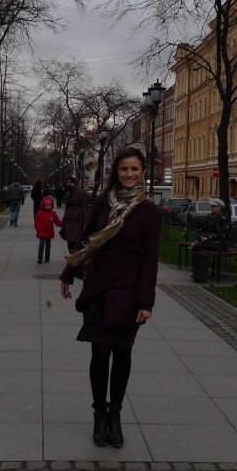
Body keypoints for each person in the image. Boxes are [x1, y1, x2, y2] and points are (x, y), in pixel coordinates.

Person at [59, 147, 161, 449]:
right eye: (124, 169)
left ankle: (115, 415)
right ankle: (99, 415)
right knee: (100, 352)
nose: (129, 174)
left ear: (143, 172)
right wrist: (68, 272)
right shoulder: (104, 201)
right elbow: (87, 239)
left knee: (122, 353)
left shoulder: (148, 212)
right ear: (116, 171)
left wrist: (145, 302)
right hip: (99, 288)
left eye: (135, 169)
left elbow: (150, 260)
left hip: (129, 292)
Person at [191, 197, 229, 282]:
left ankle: (200, 274)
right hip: (209, 241)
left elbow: (222, 235)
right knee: (197, 245)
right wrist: (202, 236)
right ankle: (199, 273)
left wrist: (208, 237)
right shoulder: (210, 216)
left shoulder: (223, 218)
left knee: (197, 246)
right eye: (211, 206)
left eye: (214, 206)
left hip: (219, 243)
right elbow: (204, 229)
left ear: (219, 207)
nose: (212, 208)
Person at [60, 174, 89, 253]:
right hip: (69, 218)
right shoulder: (69, 192)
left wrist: (86, 220)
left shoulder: (81, 192)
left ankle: (75, 254)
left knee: (76, 238)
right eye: (67, 182)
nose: (68, 184)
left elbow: (85, 207)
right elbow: (67, 206)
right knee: (69, 238)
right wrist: (65, 218)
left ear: (75, 182)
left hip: (78, 219)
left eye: (70, 182)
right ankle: (72, 253)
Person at [34, 195, 63, 265]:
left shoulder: (53, 213)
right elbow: (37, 222)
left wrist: (63, 223)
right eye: (47, 205)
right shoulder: (40, 213)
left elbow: (57, 221)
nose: (48, 206)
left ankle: (47, 258)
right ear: (44, 205)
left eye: (49, 205)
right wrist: (38, 228)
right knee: (41, 245)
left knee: (48, 245)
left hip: (49, 231)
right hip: (42, 232)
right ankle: (40, 258)